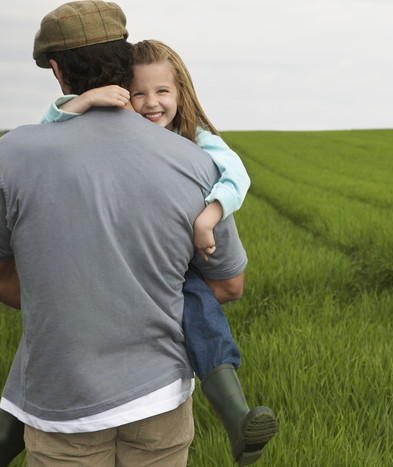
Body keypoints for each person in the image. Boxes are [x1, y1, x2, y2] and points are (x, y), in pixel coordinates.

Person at [0, 2, 270, 465]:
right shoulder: (194, 163)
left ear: (60, 72)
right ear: (124, 66)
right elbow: (229, 284)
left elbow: (5, 276)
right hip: (159, 399)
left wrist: (79, 301)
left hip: (63, 406)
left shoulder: (13, 153)